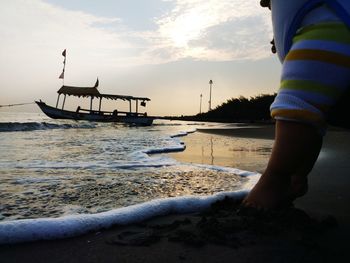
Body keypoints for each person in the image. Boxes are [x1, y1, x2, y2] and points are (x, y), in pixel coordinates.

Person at [243, 0, 350, 209]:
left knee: (297, 108)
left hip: (330, 27)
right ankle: (296, 176)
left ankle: (275, 179)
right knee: (312, 120)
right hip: (324, 28)